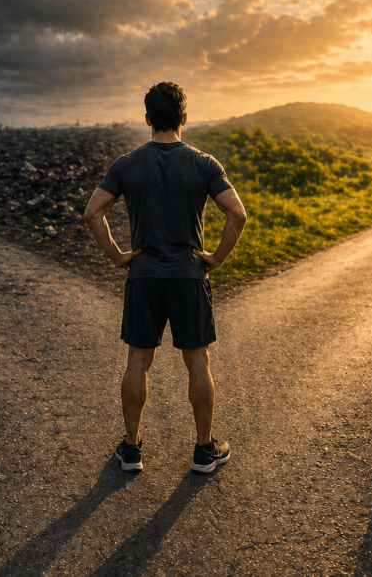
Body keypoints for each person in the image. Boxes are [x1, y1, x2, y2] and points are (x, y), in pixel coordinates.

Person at [83, 82, 247, 473]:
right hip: (189, 276)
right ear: (183, 118)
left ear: (147, 119)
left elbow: (92, 213)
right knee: (198, 363)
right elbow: (237, 214)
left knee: (137, 361)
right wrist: (216, 258)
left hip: (144, 276)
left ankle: (131, 449)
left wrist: (118, 256)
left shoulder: (126, 164)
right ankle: (204, 451)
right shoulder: (205, 163)